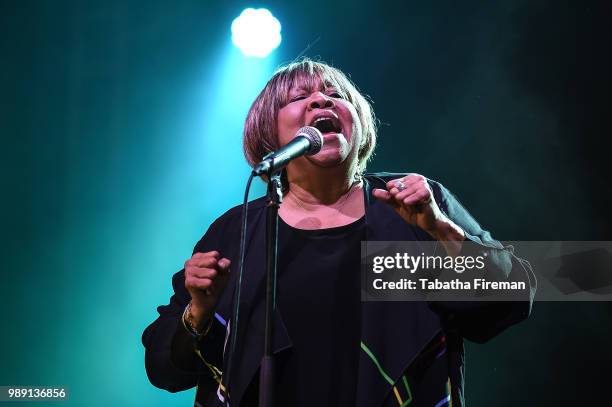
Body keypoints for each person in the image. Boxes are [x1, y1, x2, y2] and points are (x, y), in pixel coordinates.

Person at [142, 58, 535, 407]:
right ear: (268, 134)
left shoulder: (410, 206)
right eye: (299, 97)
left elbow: (513, 299)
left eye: (334, 94)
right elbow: (163, 369)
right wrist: (199, 312)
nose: (321, 101)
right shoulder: (237, 233)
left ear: (358, 122)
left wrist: (440, 229)